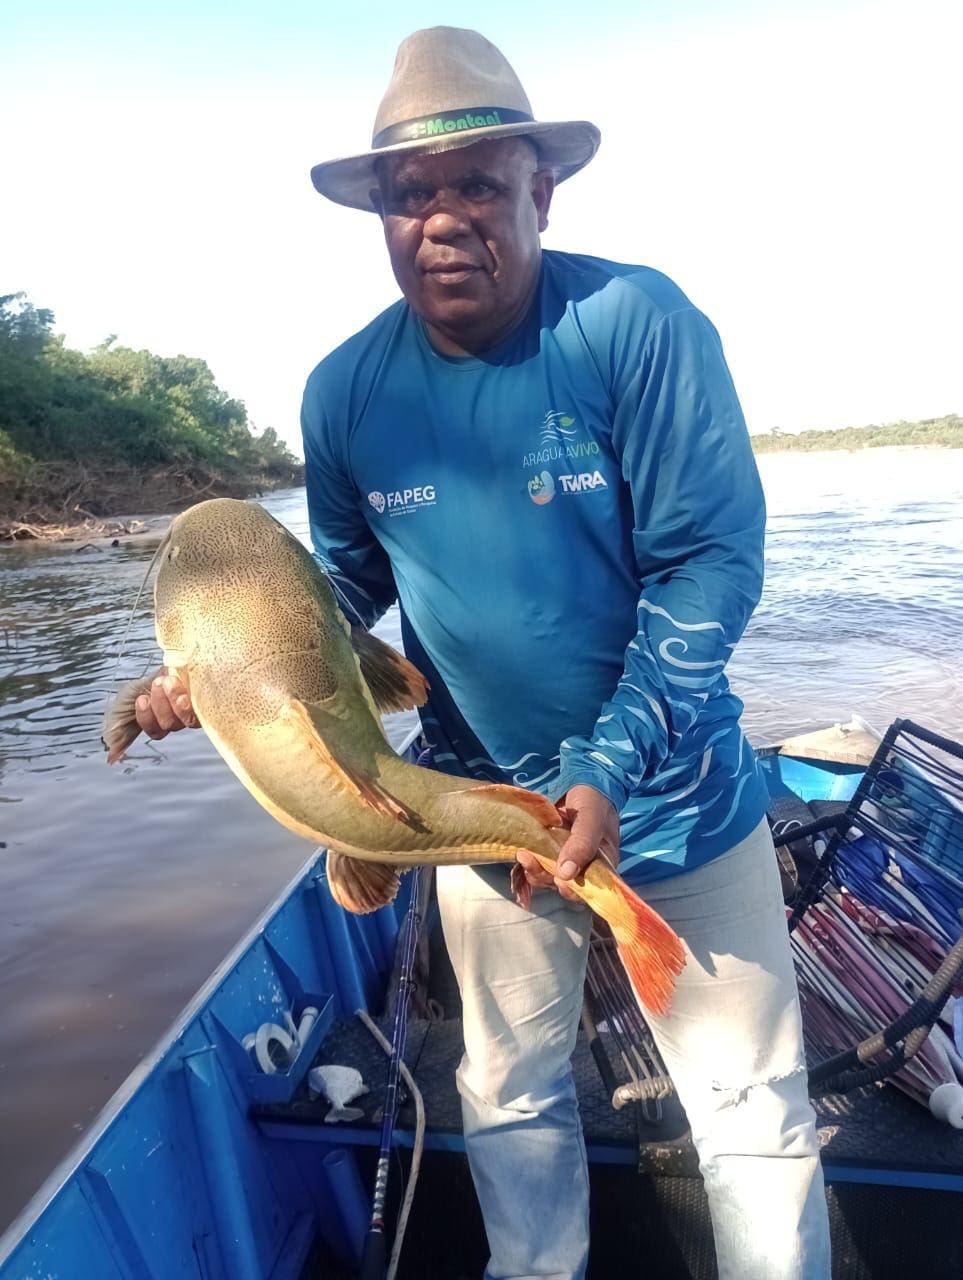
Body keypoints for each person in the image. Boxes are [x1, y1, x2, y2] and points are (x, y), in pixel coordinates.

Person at [136, 26, 831, 1280]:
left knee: (753, 1114)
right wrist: (225, 676)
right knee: (508, 1098)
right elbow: (340, 595)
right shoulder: (346, 392)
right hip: (471, 806)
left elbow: (709, 563)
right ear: (382, 216)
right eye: (412, 194)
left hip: (676, 797)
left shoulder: (633, 323)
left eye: (476, 183)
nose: (444, 218)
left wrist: (611, 763)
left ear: (539, 190)